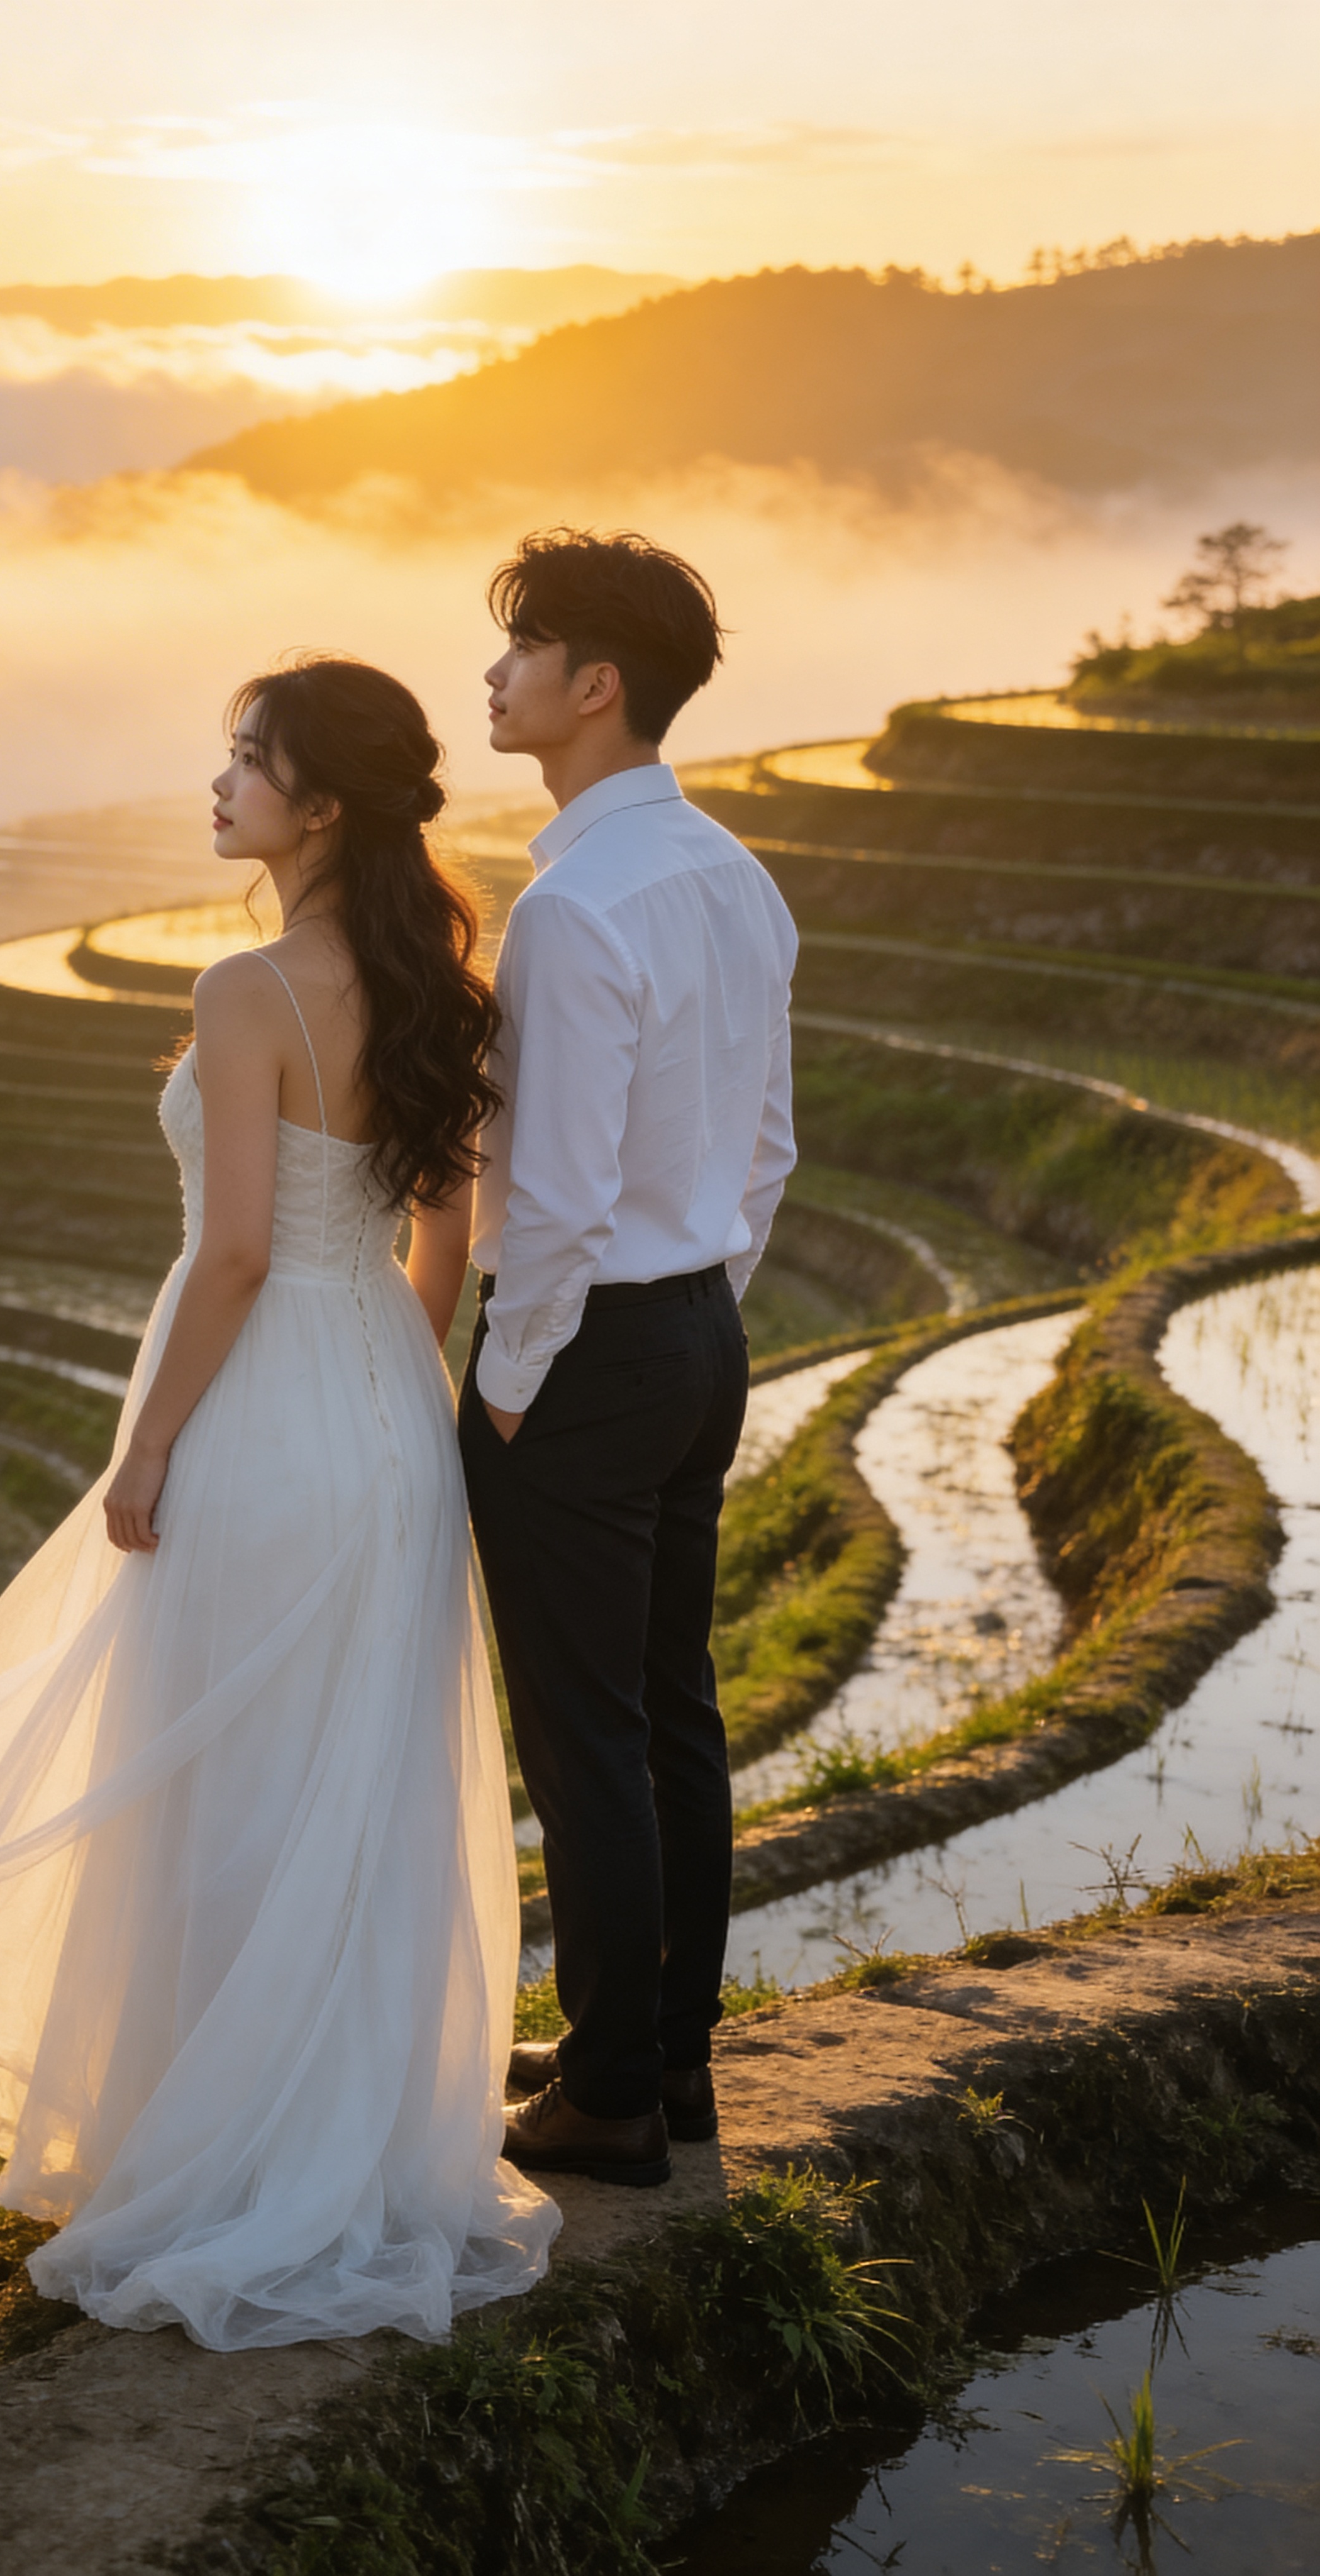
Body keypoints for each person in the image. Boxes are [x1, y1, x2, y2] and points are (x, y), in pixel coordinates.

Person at [0, 655, 559, 2351]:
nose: (218, 791)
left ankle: (213, 2149)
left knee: (218, 1771)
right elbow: (443, 1246)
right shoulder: (441, 983)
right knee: (349, 1779)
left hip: (260, 1403)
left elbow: (241, 1250)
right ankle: (343, 2138)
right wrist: (380, 1392)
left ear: (317, 805)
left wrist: (146, 1447)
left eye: (243, 766)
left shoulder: (252, 986)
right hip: (382, 1411)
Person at [460, 529, 797, 2188]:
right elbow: (769, 1151)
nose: (495, 678)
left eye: (521, 652)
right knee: (673, 1711)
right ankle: (668, 2065)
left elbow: (558, 1196)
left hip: (588, 1354)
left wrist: (514, 1379)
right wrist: (698, 1303)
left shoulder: (572, 909)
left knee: (583, 1731)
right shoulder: (736, 875)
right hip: (698, 1331)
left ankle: (603, 2097)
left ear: (596, 688)